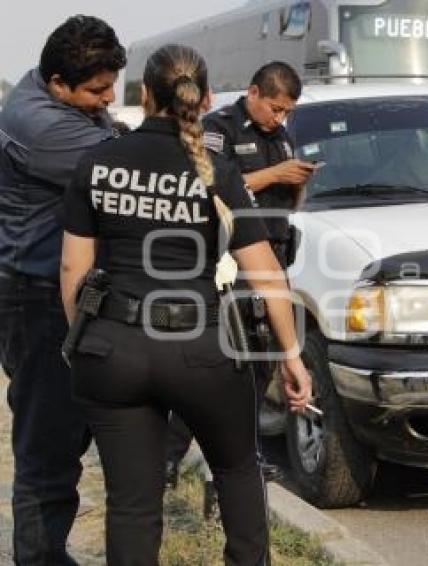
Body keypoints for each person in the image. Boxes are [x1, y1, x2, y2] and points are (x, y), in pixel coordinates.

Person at [60, 44, 312, 564]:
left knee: (131, 503)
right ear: (206, 97)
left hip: (116, 349)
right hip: (201, 348)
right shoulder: (215, 170)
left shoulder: (98, 160)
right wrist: (291, 356)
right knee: (238, 470)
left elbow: (72, 271)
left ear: (145, 93)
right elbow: (265, 273)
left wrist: (82, 339)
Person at [0, 16, 126, 564]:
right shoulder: (43, 126)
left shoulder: (44, 102)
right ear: (58, 83)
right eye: (97, 90)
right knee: (46, 444)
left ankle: (47, 549)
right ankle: (39, 556)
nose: (109, 98)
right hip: (37, 297)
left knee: (62, 435)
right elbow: (126, 166)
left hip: (45, 292)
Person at [165, 62, 317, 482]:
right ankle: (167, 457)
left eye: (287, 112)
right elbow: (213, 184)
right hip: (235, 263)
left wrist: (298, 180)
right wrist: (275, 174)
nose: (280, 118)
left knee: (261, 364)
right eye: (275, 108)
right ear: (253, 92)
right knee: (217, 366)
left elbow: (286, 200)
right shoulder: (221, 127)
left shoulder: (281, 136)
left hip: (275, 256)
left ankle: (243, 456)